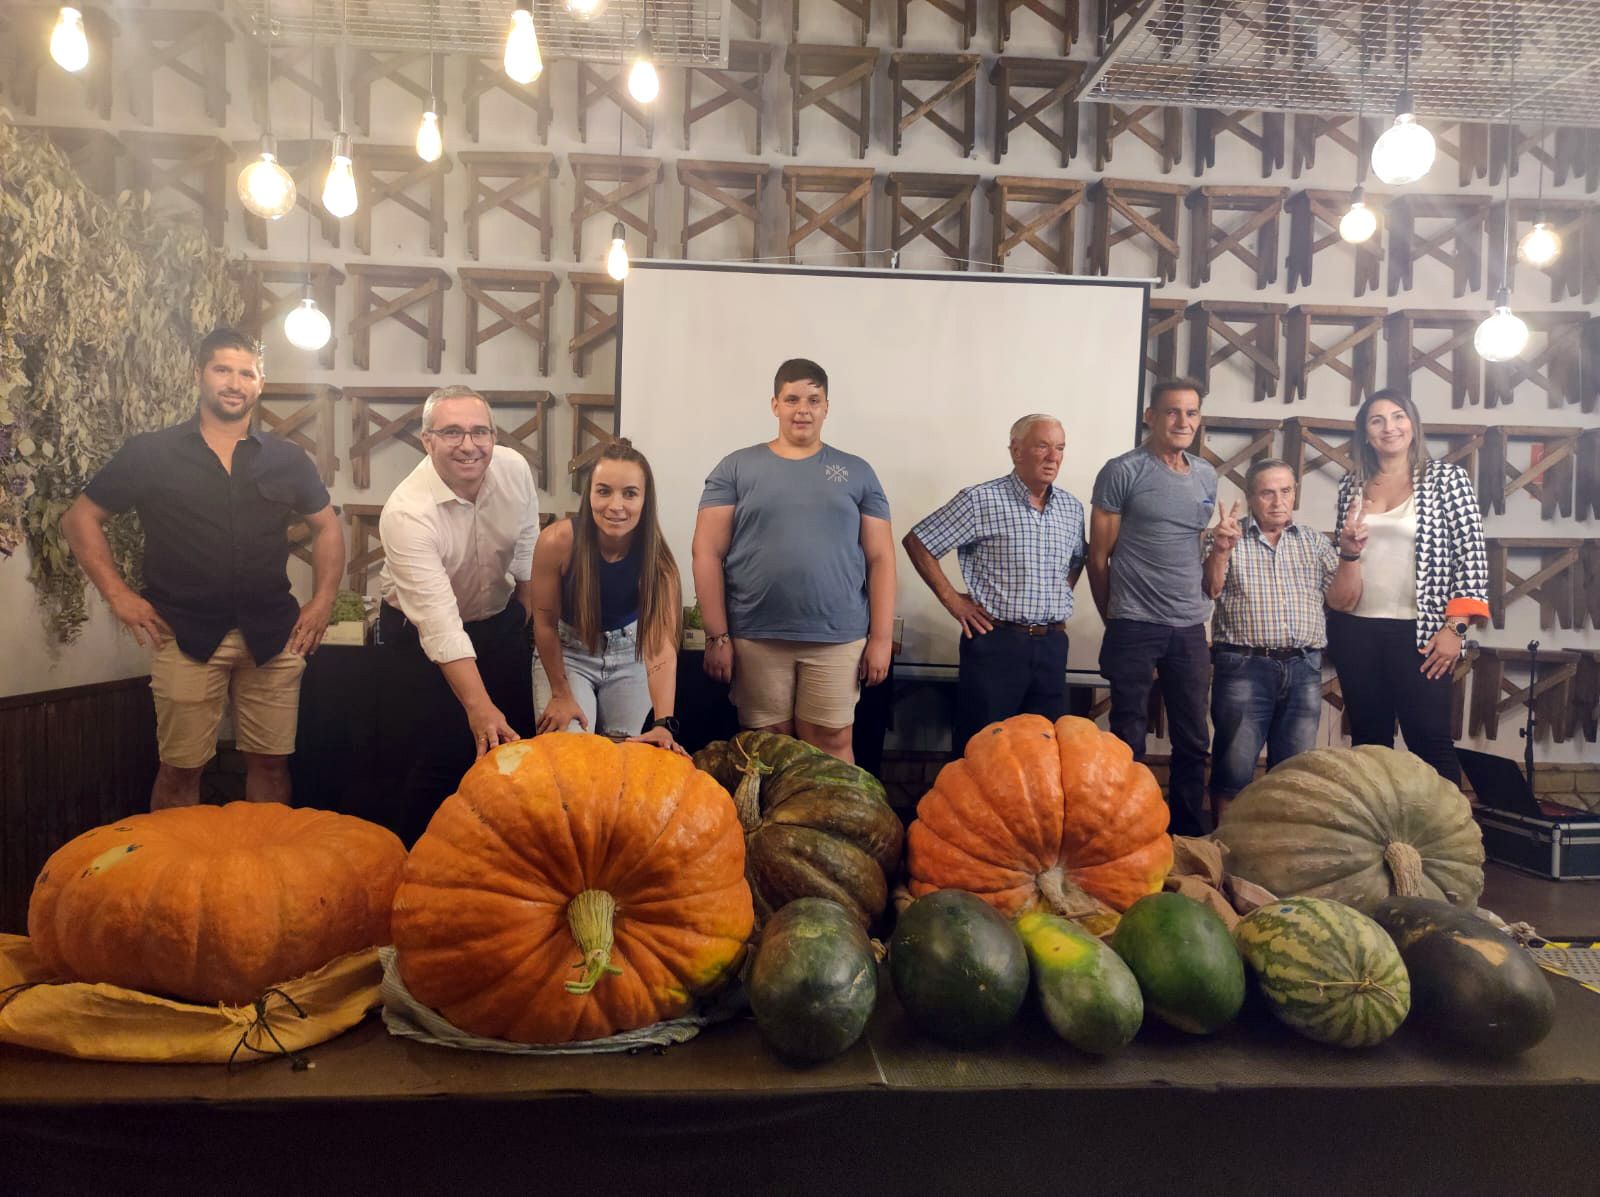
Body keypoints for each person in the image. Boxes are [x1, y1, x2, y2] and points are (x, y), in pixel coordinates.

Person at [60, 327, 344, 810]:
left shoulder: (287, 458)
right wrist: (119, 596)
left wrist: (322, 601)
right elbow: (80, 518)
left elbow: (328, 527)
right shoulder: (151, 453)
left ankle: (265, 876)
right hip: (183, 633)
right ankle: (174, 880)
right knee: (180, 767)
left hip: (273, 635)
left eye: (246, 373)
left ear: (260, 383)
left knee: (271, 763)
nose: (234, 383)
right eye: (222, 370)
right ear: (199, 375)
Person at [691, 358, 895, 764]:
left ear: (826, 407)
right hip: (756, 635)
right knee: (767, 747)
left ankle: (833, 830)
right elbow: (706, 552)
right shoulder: (736, 468)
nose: (803, 409)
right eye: (792, 399)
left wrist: (881, 639)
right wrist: (717, 637)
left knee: (831, 741)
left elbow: (881, 558)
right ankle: (767, 828)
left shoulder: (857, 472)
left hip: (837, 637)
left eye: (813, 399)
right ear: (775, 405)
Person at [377, 385, 539, 843]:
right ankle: (419, 869)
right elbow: (440, 626)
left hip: (496, 620)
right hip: (420, 639)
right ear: (426, 440)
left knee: (512, 752)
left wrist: (523, 608)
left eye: (479, 432)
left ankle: (504, 863)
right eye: (452, 433)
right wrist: (479, 707)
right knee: (441, 756)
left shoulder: (513, 467)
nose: (469, 445)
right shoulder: (407, 513)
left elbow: (527, 537)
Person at [1325, 388, 1488, 784]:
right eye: (1377, 420)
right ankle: (1378, 837)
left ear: (1413, 426)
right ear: (1365, 433)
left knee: (1429, 741)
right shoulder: (1352, 484)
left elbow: (1472, 557)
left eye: (1398, 417)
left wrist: (1456, 629)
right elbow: (1344, 556)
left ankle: (1453, 842)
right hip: (1356, 630)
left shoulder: (1447, 479)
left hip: (1421, 632)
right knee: (1368, 744)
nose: (1389, 427)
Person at [903, 414, 1086, 752]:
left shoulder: (1071, 509)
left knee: (1044, 752)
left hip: (1051, 645)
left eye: (1060, 448)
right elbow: (919, 542)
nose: (1053, 457)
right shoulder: (980, 500)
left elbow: (1078, 559)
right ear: (1016, 451)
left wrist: (1057, 594)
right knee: (982, 749)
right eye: (1042, 446)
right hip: (997, 644)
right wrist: (953, 601)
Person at [1088, 378, 1217, 836]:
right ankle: (1126, 832)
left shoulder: (1205, 475)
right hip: (1134, 622)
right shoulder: (1123, 470)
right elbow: (1098, 556)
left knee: (1194, 738)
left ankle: (1185, 834)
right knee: (1128, 736)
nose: (1183, 422)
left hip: (1188, 627)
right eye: (1172, 412)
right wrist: (1114, 616)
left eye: (1192, 413)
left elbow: (1195, 549)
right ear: (1151, 416)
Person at [1202, 458, 1357, 819]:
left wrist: (1351, 553)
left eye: (1285, 491)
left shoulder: (1314, 543)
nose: (1277, 501)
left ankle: (1280, 854)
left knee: (1295, 773)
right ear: (1251, 497)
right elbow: (1209, 589)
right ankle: (1226, 855)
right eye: (1267, 493)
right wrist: (1221, 550)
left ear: (1294, 494)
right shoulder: (1226, 536)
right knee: (1233, 769)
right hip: (1244, 664)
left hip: (1303, 665)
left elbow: (1341, 600)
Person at [531, 439, 685, 754]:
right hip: (569, 654)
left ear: (645, 500)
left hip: (631, 655)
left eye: (629, 493)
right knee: (570, 754)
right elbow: (544, 625)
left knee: (622, 756)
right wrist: (561, 694)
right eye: (604, 491)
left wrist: (663, 723)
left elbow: (660, 645)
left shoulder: (659, 561)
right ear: (589, 496)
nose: (616, 506)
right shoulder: (557, 542)